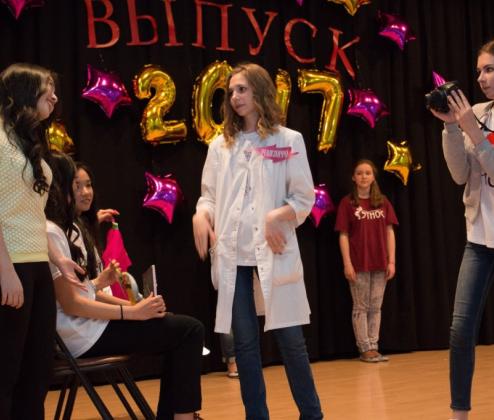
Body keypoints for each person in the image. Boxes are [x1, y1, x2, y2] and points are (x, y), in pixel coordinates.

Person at [193, 62, 323, 420]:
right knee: (246, 348)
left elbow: (304, 198)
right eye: (231, 91)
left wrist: (275, 216)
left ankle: (312, 415)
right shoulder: (220, 146)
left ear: (261, 92)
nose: (235, 97)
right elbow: (209, 196)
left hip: (274, 252)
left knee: (291, 343)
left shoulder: (286, 141)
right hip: (233, 257)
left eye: (243, 89)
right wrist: (201, 214)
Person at [45, 153, 205, 420]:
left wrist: (138, 308)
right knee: (190, 330)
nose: (83, 192)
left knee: (178, 327)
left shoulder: (69, 228)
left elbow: (87, 292)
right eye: (75, 185)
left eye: (87, 185)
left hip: (90, 328)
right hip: (81, 336)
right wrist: (132, 312)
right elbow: (72, 303)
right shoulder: (52, 232)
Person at [0, 63, 83, 420]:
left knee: (36, 371)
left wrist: (57, 258)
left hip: (36, 267)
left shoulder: (28, 143)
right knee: (7, 369)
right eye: (47, 89)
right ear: (23, 93)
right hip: (10, 265)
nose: (54, 97)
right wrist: (5, 272)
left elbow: (30, 212)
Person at [429, 38, 494, 420]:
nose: (481, 78)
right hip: (480, 240)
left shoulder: (476, 120)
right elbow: (460, 175)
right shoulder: (475, 113)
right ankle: (459, 414)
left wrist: (474, 132)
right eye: (479, 71)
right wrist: (452, 129)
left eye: (489, 69)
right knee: (460, 331)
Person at [334, 159, 398, 363]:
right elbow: (343, 234)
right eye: (359, 173)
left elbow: (389, 232)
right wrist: (347, 264)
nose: (364, 176)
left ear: (373, 177)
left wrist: (391, 261)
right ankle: (364, 348)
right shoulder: (348, 203)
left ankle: (373, 345)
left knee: (376, 306)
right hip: (359, 263)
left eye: (368, 173)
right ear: (353, 177)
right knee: (361, 306)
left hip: (380, 262)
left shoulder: (383, 202)